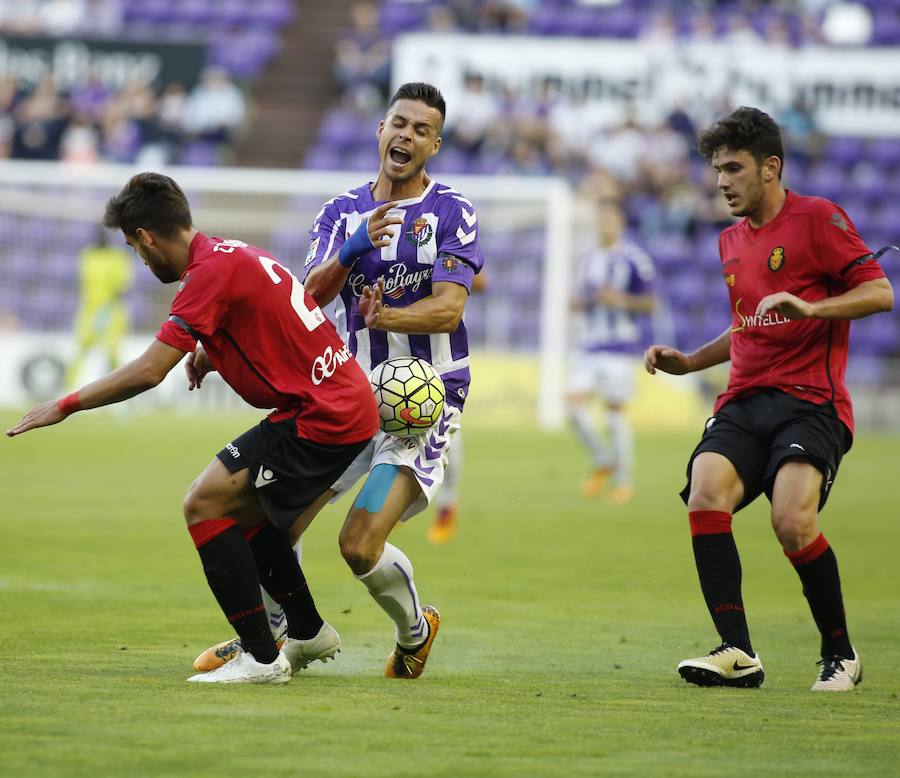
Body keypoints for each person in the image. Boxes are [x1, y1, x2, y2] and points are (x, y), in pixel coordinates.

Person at [6, 172, 380, 685]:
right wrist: (213, 351)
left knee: (204, 502)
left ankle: (261, 659)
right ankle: (308, 630)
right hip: (339, 401)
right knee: (251, 524)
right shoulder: (233, 252)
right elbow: (279, 320)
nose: (142, 261)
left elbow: (148, 370)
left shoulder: (206, 274)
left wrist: (66, 404)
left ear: (146, 236)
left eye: (137, 251)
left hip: (321, 414)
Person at [196, 82, 484, 679]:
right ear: (381, 130)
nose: (405, 135)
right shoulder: (339, 213)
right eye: (397, 123)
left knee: (357, 545)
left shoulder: (453, 211)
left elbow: (450, 308)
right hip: (350, 397)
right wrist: (354, 249)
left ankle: (415, 629)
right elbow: (308, 297)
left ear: (435, 144)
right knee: (274, 524)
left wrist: (388, 317)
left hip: (423, 402)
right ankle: (275, 632)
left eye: (421, 129)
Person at [644, 107, 893, 691]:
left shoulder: (819, 219)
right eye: (716, 170)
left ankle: (840, 653)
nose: (722, 181)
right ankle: (737, 651)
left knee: (791, 519)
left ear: (770, 168)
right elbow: (747, 325)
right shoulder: (730, 240)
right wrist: (690, 361)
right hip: (743, 400)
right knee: (705, 490)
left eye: (734, 168)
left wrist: (814, 307)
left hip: (812, 402)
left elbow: (879, 292)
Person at [568, 200, 656, 504]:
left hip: (619, 347)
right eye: (601, 218)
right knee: (573, 407)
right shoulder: (587, 259)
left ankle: (623, 482)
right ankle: (604, 457)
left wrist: (618, 299)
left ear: (620, 222)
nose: (605, 224)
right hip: (590, 346)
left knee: (615, 414)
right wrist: (579, 303)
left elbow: (650, 303)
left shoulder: (634, 259)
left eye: (610, 218)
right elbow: (578, 299)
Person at [427, 270, 488, 544]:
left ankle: (447, 506)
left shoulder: (447, 231)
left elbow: (481, 281)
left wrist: (440, 274)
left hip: (441, 349)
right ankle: (387, 508)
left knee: (447, 428)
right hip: (391, 345)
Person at [65, 225, 134, 388]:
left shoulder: (117, 257)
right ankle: (66, 390)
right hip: (88, 312)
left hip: (112, 312)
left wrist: (107, 309)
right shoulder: (87, 256)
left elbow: (122, 286)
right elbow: (82, 284)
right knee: (81, 351)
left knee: (113, 354)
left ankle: (125, 394)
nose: (99, 239)